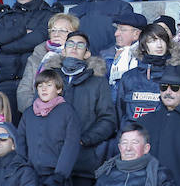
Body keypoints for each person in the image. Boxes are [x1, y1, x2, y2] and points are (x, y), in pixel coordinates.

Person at [0, 0, 61, 121]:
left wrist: (5, 43)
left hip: (35, 83)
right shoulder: (7, 15)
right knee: (9, 133)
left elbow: (36, 39)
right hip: (6, 82)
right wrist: (21, 31)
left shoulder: (49, 15)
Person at [46, 30, 116, 186]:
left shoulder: (98, 82)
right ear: (63, 50)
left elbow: (109, 120)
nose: (74, 47)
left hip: (83, 162)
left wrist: (83, 140)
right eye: (70, 44)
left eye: (80, 45)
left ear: (87, 54)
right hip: (50, 161)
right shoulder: (49, 78)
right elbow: (36, 113)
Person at [18, 69, 81, 186]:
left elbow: (71, 146)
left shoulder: (67, 111)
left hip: (57, 179)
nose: (44, 89)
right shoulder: (28, 113)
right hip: (31, 177)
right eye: (40, 85)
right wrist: (25, 171)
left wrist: (59, 176)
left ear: (59, 89)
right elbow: (20, 144)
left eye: (49, 85)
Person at [116, 23, 180, 122]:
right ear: (143, 46)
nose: (159, 45)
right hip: (132, 134)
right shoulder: (129, 77)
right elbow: (120, 113)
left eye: (162, 40)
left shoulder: (175, 75)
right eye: (153, 41)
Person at [15, 12, 77, 112]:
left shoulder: (76, 56)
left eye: (62, 30)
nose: (56, 34)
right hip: (34, 112)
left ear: (73, 33)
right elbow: (24, 89)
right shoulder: (38, 53)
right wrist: (33, 109)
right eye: (53, 30)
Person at [95, 122, 176, 186]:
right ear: (120, 148)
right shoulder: (106, 174)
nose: (128, 148)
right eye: (124, 143)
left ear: (146, 148)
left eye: (134, 142)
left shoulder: (160, 175)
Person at [101, 11, 147, 102]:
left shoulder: (146, 58)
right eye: (117, 29)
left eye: (122, 30)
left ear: (136, 34)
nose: (116, 34)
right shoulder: (106, 55)